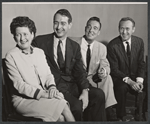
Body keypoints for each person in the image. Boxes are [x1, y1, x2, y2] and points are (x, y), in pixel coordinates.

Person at [32, 9, 106, 121]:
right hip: (53, 86)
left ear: (70, 25)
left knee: (98, 94)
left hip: (72, 85)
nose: (58, 27)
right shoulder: (40, 42)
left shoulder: (74, 46)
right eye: (56, 22)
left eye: (63, 23)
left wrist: (85, 90)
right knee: (76, 106)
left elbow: (80, 71)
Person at [5, 16, 75, 122]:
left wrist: (52, 88)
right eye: (18, 35)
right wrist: (44, 94)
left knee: (60, 117)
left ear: (32, 35)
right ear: (14, 37)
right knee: (63, 105)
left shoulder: (39, 52)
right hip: (24, 101)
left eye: (25, 34)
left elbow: (48, 74)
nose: (22, 38)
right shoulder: (10, 56)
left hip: (43, 95)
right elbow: (19, 85)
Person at [75, 17, 117, 121]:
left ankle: (108, 110)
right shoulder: (74, 43)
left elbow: (105, 64)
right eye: (89, 27)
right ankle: (108, 113)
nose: (91, 30)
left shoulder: (102, 47)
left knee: (108, 78)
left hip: (92, 80)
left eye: (95, 28)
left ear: (98, 32)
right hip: (77, 80)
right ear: (85, 28)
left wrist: (104, 70)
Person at [107, 17, 146, 121]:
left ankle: (141, 113)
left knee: (147, 85)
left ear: (133, 29)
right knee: (121, 88)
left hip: (135, 77)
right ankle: (121, 116)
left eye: (127, 29)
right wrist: (130, 81)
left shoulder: (139, 42)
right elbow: (114, 69)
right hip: (120, 78)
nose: (124, 32)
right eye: (121, 28)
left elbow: (141, 63)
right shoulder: (112, 45)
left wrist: (139, 81)